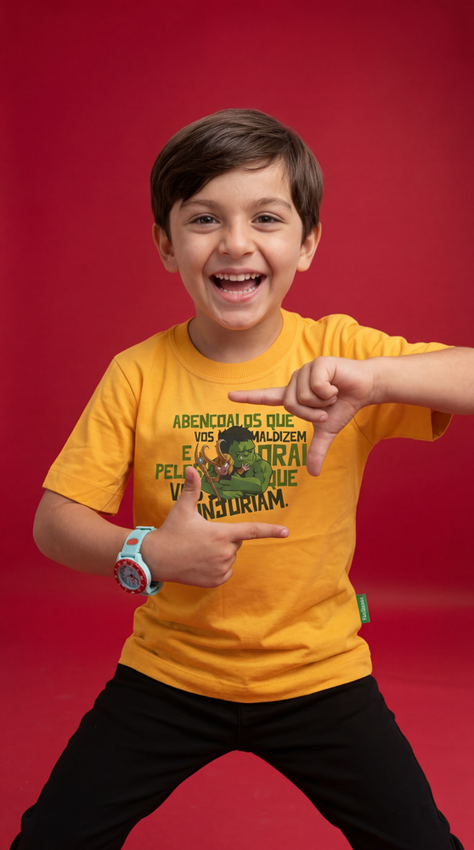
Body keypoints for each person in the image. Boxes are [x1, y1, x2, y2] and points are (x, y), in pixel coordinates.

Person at [12, 109, 470, 850]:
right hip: (169, 674)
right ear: (167, 244)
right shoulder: (136, 373)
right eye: (204, 218)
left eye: (266, 217)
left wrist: (379, 379)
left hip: (319, 674)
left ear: (306, 242)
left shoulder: (341, 352)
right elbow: (54, 523)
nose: (234, 242)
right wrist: (149, 552)